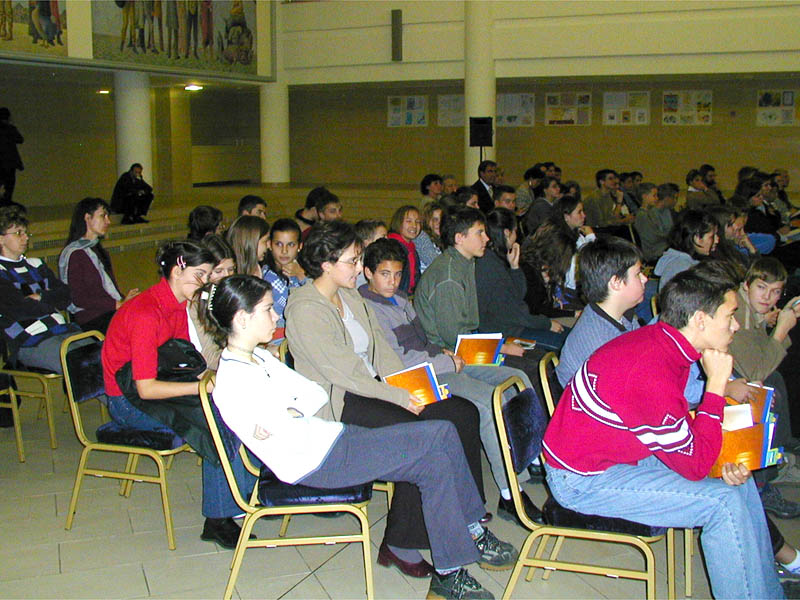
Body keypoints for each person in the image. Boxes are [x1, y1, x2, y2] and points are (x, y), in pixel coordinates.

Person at [207, 275, 517, 600]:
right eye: (268, 309)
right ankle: (467, 538)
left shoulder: (261, 358)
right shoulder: (233, 381)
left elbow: (314, 395)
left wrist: (290, 411)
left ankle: (451, 568)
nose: (276, 316)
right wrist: (290, 413)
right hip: (315, 462)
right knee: (438, 434)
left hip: (329, 438)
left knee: (436, 454)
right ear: (242, 319)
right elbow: (285, 429)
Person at [543, 267, 783, 599]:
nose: (736, 326)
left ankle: (768, 593)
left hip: (619, 455)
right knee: (723, 502)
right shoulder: (651, 371)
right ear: (700, 320)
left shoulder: (664, 343)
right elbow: (695, 465)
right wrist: (715, 386)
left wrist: (721, 462)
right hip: (582, 479)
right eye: (730, 316)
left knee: (736, 483)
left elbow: (685, 438)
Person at [285, 220, 494, 581]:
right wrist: (399, 396)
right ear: (326, 265)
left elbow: (381, 351)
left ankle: (468, 518)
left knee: (461, 412)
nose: (358, 268)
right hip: (343, 401)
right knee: (423, 433)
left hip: (375, 389)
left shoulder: (350, 296)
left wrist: (412, 385)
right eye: (353, 261)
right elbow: (346, 373)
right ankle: (403, 543)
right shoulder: (305, 309)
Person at [359, 238, 541, 525]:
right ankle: (510, 493)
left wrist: (443, 352)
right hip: (419, 376)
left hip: (438, 360)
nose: (392, 281)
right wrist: (446, 362)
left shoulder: (401, 299)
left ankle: (532, 459)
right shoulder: (369, 309)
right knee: (487, 402)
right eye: (385, 274)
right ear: (368, 273)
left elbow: (422, 341)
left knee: (515, 378)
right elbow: (399, 360)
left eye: (397, 274)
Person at [101, 240, 255, 549]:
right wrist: (203, 387)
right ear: (176, 271)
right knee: (214, 422)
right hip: (128, 401)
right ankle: (219, 518)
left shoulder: (176, 304)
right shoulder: (146, 312)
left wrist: (216, 378)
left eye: (207, 275)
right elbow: (145, 388)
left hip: (156, 387)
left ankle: (246, 495)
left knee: (238, 404)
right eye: (200, 275)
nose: (205, 282)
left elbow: (184, 361)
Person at [0, 206, 78, 372]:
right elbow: (22, 309)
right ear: (1, 239)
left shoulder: (37, 264)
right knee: (78, 364)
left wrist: (40, 296)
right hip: (29, 340)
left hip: (61, 330)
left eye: (26, 233)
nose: (25, 238)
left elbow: (66, 296)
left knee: (102, 355)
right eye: (18, 233)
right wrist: (51, 298)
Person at [475, 208, 566, 350]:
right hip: (506, 332)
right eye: (515, 231)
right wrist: (547, 324)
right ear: (507, 233)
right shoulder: (488, 264)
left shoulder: (497, 258)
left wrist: (515, 267)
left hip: (513, 325)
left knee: (569, 336)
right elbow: (514, 312)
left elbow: (518, 294)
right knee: (566, 342)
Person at [58, 198, 139, 333]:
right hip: (90, 319)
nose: (108, 221)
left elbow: (109, 290)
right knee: (140, 324)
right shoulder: (75, 254)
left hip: (108, 312)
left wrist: (125, 301)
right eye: (103, 216)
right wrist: (117, 304)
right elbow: (78, 298)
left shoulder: (99, 251)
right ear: (87, 218)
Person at [261, 218, 305, 342]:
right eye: (278, 244)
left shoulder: (304, 272)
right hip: (278, 339)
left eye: (291, 245)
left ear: (299, 246)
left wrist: (301, 275)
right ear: (269, 245)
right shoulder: (267, 278)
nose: (284, 251)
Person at [654, 209, 718, 290]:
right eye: (712, 237)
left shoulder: (688, 262)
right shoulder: (681, 268)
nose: (717, 240)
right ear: (697, 238)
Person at [635, 182, 678, 263]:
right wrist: (669, 237)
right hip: (653, 252)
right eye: (654, 196)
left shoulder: (650, 213)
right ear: (644, 196)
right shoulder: (642, 215)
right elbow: (652, 238)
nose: (657, 198)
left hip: (660, 248)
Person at [387, 205, 422, 294]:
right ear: (398, 223)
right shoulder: (392, 247)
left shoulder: (411, 248)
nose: (414, 226)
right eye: (409, 221)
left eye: (417, 222)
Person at [0, 107, 24, 208]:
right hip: (9, 162)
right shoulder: (10, 129)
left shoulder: (9, 129)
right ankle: (6, 201)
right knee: (9, 183)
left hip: (4, 162)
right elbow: (20, 139)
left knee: (5, 181)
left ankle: (5, 201)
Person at [414, 201, 443, 273]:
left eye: (442, 219)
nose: (439, 223)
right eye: (435, 220)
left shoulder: (440, 239)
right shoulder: (421, 237)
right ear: (427, 221)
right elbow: (435, 264)